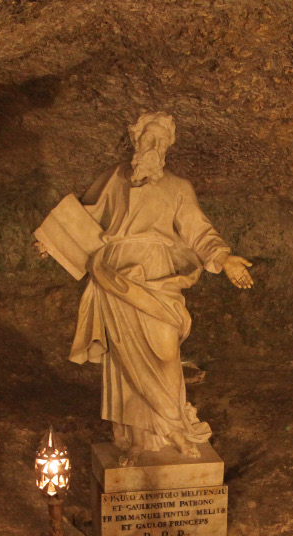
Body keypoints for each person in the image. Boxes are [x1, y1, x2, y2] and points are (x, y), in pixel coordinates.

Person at [36, 112, 253, 464]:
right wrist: (52, 241)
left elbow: (199, 231)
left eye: (159, 142)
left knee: (165, 351)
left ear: (167, 148)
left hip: (158, 276)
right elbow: (83, 219)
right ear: (135, 142)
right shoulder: (113, 180)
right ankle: (138, 439)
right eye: (147, 139)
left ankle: (174, 427)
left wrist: (224, 258)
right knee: (125, 363)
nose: (152, 146)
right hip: (115, 276)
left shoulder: (179, 188)